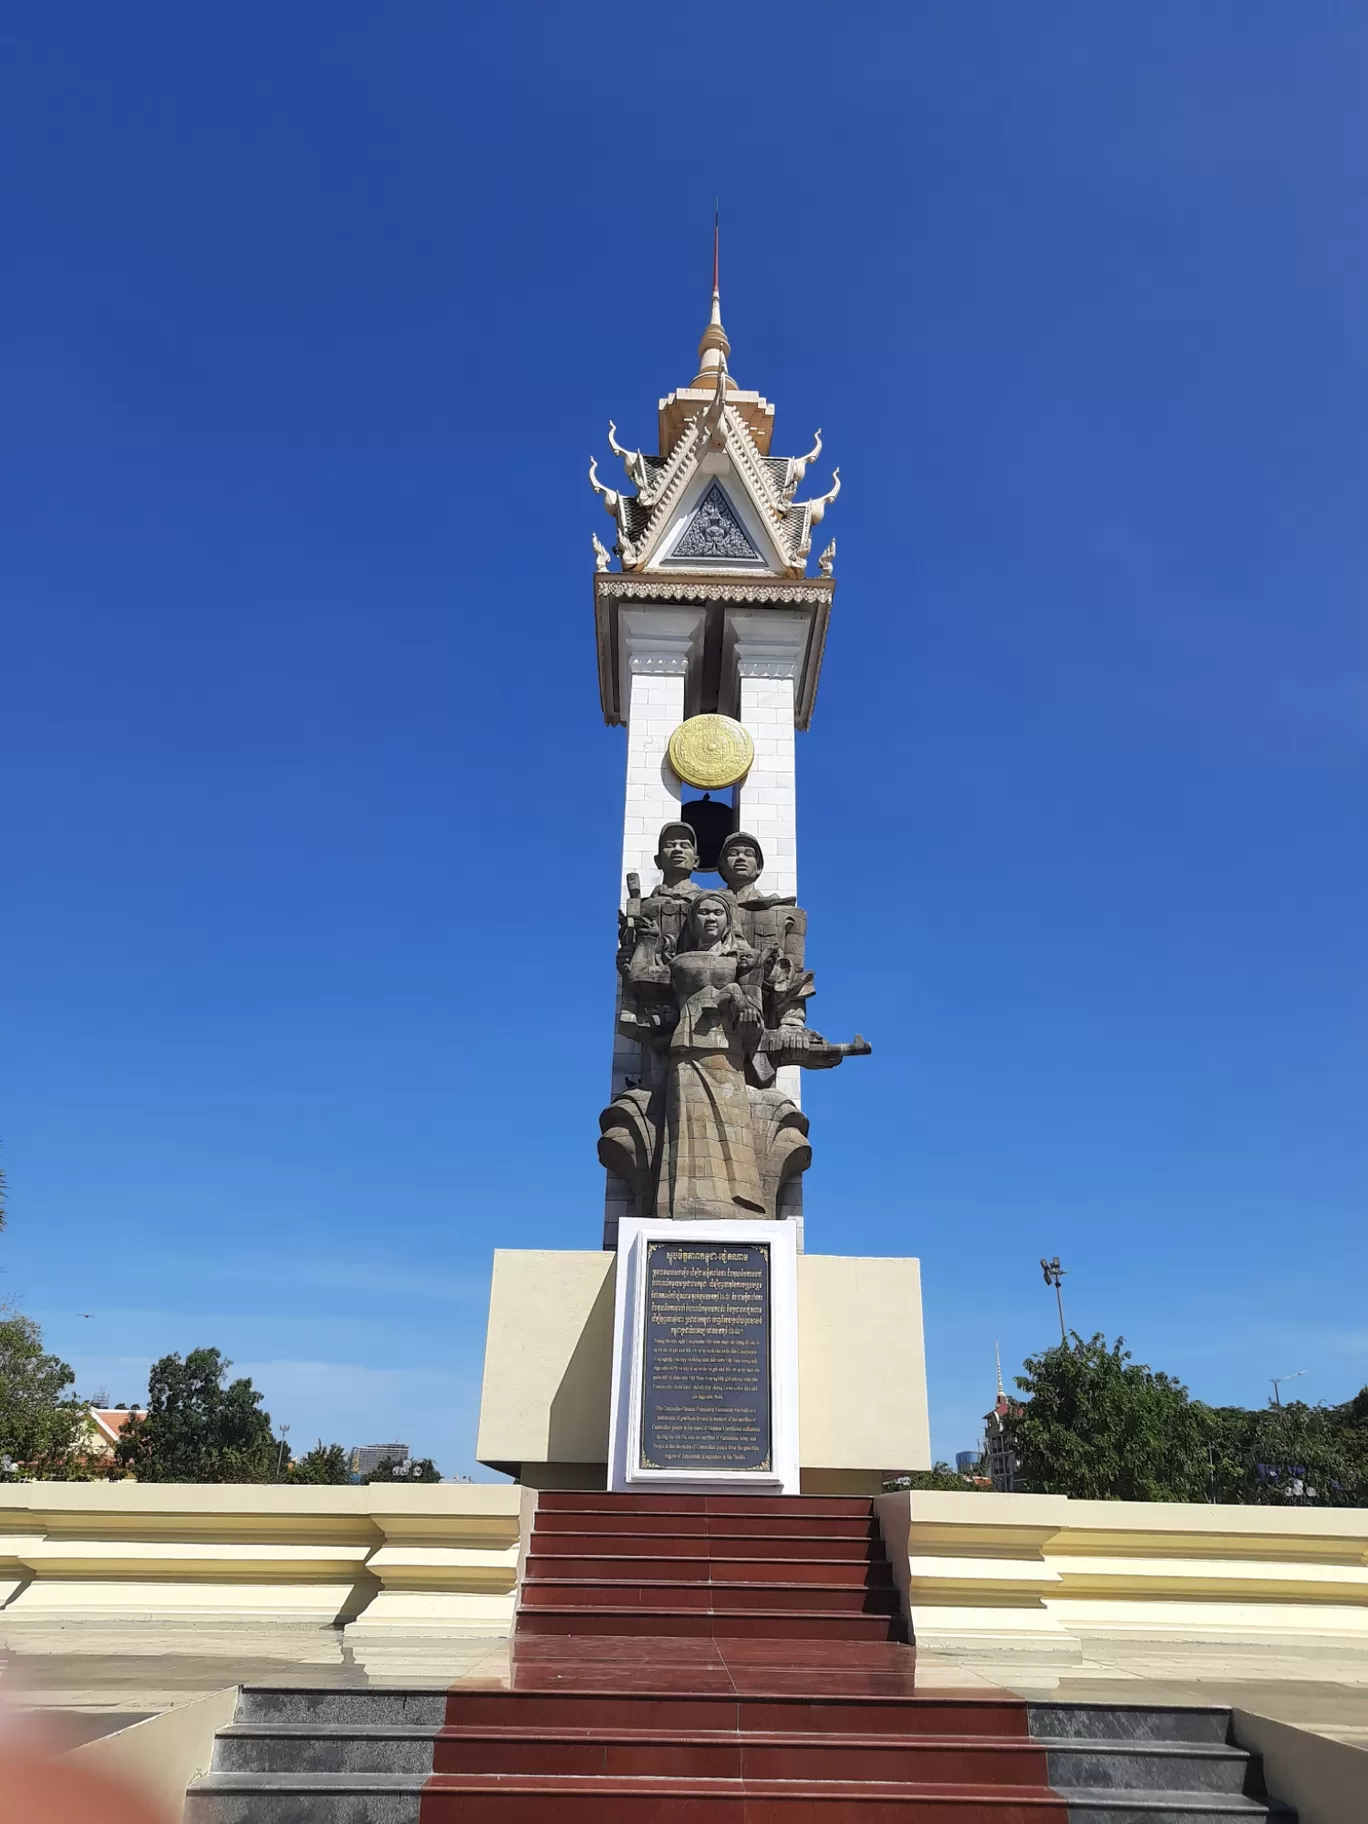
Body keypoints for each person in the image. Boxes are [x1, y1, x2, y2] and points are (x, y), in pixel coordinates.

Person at [655, 893, 767, 1220]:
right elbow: (643, 980)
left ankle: (741, 1202)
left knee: (733, 1127)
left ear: (728, 920)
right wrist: (645, 943)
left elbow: (755, 1013)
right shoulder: (679, 962)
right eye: (702, 912)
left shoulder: (743, 961)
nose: (710, 918)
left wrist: (741, 1000)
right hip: (687, 1049)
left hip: (726, 1050)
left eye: (717, 912)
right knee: (688, 1128)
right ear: (692, 921)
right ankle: (685, 1205)